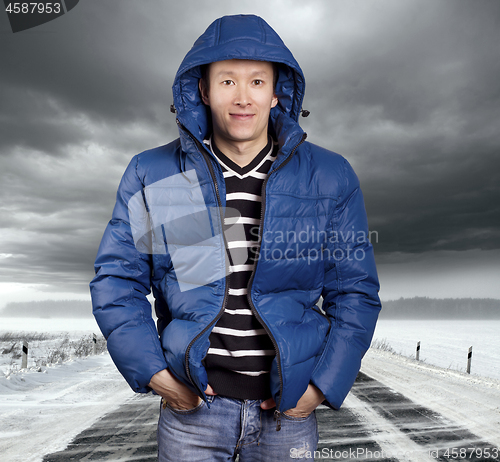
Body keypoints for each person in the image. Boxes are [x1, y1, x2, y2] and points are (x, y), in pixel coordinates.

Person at [90, 14, 381, 461]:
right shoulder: (156, 174)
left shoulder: (329, 175)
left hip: (288, 414)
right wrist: (156, 376)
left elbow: (355, 290)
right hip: (192, 412)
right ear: (203, 90)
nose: (243, 98)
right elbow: (118, 281)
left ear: (276, 90)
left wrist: (321, 387)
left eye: (257, 81)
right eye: (227, 81)